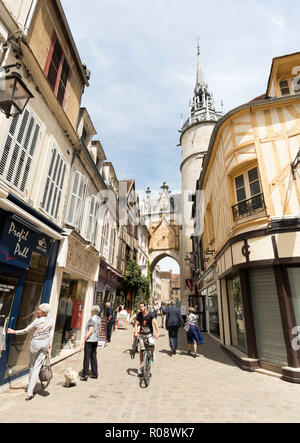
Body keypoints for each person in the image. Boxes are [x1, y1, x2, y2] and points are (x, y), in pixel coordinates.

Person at [7, 303, 53, 401]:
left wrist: (14, 332)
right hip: (44, 344)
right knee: (36, 367)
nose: (37, 311)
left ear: (43, 312)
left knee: (33, 367)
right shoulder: (50, 320)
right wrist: (49, 346)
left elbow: (25, 330)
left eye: (39, 310)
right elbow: (50, 334)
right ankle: (30, 389)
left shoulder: (37, 321)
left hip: (35, 344)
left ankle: (30, 391)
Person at [134, 302, 160, 375]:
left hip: (149, 334)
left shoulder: (150, 314)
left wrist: (158, 332)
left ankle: (152, 353)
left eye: (142, 306)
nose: (141, 308)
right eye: (140, 307)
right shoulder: (139, 315)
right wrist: (136, 332)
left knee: (152, 345)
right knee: (142, 351)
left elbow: (155, 323)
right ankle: (141, 366)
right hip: (142, 334)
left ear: (145, 307)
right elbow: (136, 324)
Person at [80, 305, 101, 381]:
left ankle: (85, 375)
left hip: (89, 340)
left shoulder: (91, 319)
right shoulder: (99, 318)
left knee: (86, 358)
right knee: (93, 357)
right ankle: (95, 373)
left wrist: (84, 339)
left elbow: (91, 330)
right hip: (95, 340)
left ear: (93, 311)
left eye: (91, 311)